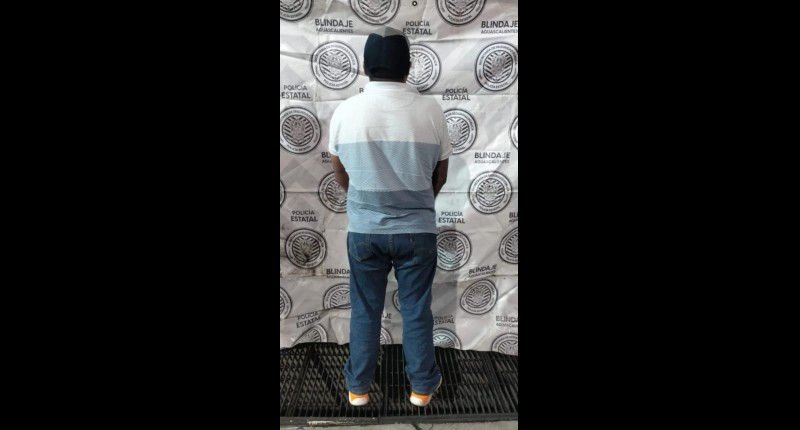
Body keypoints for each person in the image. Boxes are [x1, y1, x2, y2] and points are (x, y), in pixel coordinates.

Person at [327, 27, 452, 408]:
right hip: (418, 231)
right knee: (416, 310)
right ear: (408, 67)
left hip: (364, 231)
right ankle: (422, 388)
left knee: (365, 310)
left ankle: (358, 388)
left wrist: (365, 202)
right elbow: (440, 175)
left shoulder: (346, 111)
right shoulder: (431, 111)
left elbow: (340, 172)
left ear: (366, 67)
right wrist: (415, 203)